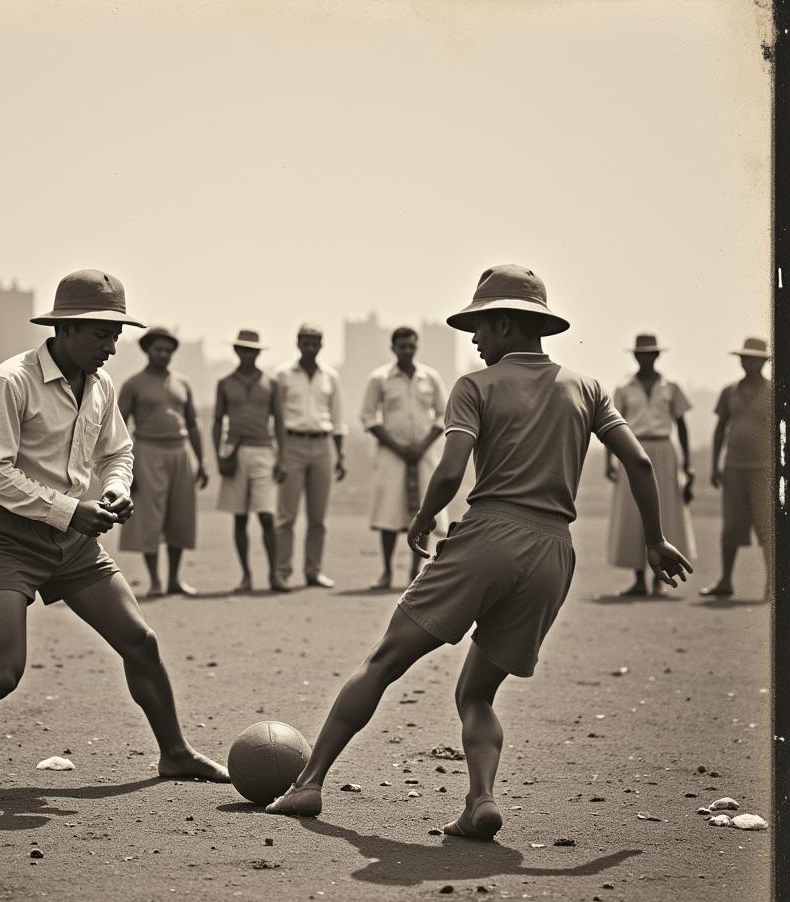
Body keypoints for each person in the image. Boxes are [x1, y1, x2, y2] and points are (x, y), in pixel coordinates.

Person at [265, 265, 692, 839]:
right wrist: (654, 540)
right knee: (476, 692)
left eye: (480, 327)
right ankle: (480, 800)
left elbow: (449, 470)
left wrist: (421, 520)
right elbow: (639, 463)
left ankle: (310, 783)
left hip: (489, 535)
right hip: (553, 553)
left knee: (385, 661)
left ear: (508, 324)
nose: (473, 339)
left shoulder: (475, 386)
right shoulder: (586, 388)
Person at [0, 270, 228, 800]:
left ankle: (174, 752)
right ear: (66, 328)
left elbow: (117, 452)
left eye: (116, 333)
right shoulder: (10, 382)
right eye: (103, 334)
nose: (112, 345)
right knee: (1, 672)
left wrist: (115, 490)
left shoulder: (99, 384)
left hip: (74, 539)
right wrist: (67, 510)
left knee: (140, 642)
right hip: (6, 536)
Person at [118, 326, 208, 596]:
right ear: (147, 350)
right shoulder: (134, 384)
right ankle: (155, 581)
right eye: (159, 349)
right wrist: (125, 468)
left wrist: (201, 461)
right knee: (150, 519)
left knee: (180, 517)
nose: (164, 354)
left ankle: (174, 579)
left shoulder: (183, 383)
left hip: (179, 452)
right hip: (147, 451)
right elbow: (119, 426)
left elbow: (193, 424)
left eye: (169, 350)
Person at [605, 334, 696, 596]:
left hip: (665, 450)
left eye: (649, 354)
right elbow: (612, 425)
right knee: (633, 513)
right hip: (632, 448)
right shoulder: (624, 388)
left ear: (657, 356)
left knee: (664, 512)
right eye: (640, 354)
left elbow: (681, 425)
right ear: (634, 356)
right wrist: (608, 459)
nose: (645, 358)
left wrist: (688, 464)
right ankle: (638, 579)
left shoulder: (671, 386)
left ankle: (661, 579)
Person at [361, 326, 449, 590]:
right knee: (389, 513)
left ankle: (415, 572)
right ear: (393, 348)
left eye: (411, 346)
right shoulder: (380, 378)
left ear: (417, 346)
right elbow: (368, 416)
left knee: (426, 512)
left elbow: (443, 415)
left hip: (423, 454)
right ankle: (387, 572)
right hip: (392, 454)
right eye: (402, 347)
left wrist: (422, 446)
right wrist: (397, 447)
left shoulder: (430, 377)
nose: (407, 351)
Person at [212, 329, 286, 592]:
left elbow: (279, 422)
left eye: (252, 350)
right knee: (240, 517)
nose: (247, 354)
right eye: (243, 349)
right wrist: (219, 455)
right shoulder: (225, 383)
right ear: (236, 351)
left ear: (258, 353)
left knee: (267, 516)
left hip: (264, 450)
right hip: (235, 449)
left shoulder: (271, 384)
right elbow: (218, 421)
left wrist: (282, 458)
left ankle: (274, 575)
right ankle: (246, 575)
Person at [274, 324, 347, 589]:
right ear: (298, 343)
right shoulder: (283, 375)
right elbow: (277, 418)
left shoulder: (330, 377)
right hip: (292, 443)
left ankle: (313, 571)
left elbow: (337, 418)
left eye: (315, 343)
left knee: (318, 517)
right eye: (306, 342)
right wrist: (279, 455)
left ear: (321, 345)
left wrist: (341, 455)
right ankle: (282, 571)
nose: (310, 348)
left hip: (322, 444)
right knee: (286, 515)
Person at [700, 336, 772, 599]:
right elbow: (720, 428)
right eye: (745, 358)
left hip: (765, 468)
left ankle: (772, 584)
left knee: (767, 526)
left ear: (764, 361)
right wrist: (715, 465)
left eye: (754, 359)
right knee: (731, 526)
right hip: (734, 467)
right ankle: (725, 581)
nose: (749, 363)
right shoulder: (729, 391)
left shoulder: (776, 390)